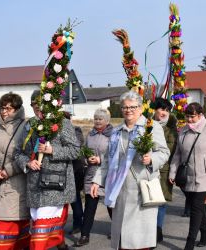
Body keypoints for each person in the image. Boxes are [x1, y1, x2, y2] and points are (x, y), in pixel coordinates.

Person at [91, 91, 170, 250]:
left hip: (142, 190)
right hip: (120, 190)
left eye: (133, 107)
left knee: (139, 240)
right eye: (125, 107)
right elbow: (108, 158)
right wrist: (97, 180)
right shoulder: (116, 131)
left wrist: (152, 159)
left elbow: (164, 152)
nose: (129, 110)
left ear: (140, 108)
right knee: (123, 239)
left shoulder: (151, 127)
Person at [15, 90, 80, 250]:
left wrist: (53, 151)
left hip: (55, 185)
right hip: (34, 185)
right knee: (38, 230)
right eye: (34, 105)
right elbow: (18, 152)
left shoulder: (63, 123)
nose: (37, 108)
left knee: (40, 236)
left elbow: (75, 150)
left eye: (40, 105)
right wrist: (28, 163)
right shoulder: (29, 125)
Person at [169, 102, 206, 250]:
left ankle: (189, 242)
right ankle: (205, 234)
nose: (189, 120)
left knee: (195, 207)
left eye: (192, 117)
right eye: (187, 116)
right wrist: (172, 172)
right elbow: (178, 154)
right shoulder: (184, 130)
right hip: (187, 176)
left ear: (200, 115)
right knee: (198, 208)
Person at [0, 93, 30, 249]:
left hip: (17, 183)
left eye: (9, 108)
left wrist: (8, 170)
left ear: (18, 109)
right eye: (2, 107)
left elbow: (28, 154)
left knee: (9, 225)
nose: (4, 111)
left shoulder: (26, 126)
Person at [75, 108, 113, 247]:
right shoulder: (90, 134)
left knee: (110, 206)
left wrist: (100, 159)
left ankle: (116, 230)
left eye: (100, 119)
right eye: (95, 118)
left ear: (107, 121)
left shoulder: (113, 135)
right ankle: (84, 235)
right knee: (89, 208)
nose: (97, 121)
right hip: (91, 174)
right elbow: (83, 152)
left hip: (107, 175)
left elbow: (115, 155)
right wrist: (87, 160)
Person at [153, 97, 178, 243]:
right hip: (147, 167)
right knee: (148, 199)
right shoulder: (146, 124)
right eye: (162, 109)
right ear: (155, 109)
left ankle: (158, 229)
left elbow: (170, 148)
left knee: (161, 201)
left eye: (167, 110)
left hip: (164, 169)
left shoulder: (170, 128)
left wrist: (152, 149)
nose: (164, 113)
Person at [63, 112, 85, 236]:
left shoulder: (76, 130)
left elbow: (76, 145)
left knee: (74, 198)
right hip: (63, 170)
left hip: (76, 170)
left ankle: (78, 224)